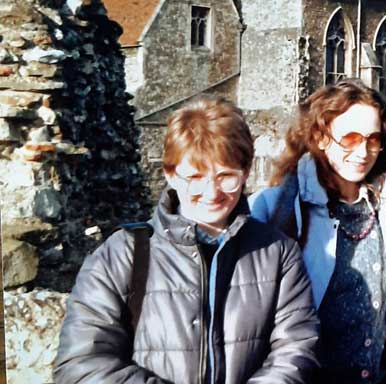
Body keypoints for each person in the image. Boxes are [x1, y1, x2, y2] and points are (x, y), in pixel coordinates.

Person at [54, 98, 320, 384]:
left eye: (226, 176)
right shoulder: (121, 255)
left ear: (245, 173)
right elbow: (81, 363)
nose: (211, 191)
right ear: (171, 174)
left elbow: (296, 349)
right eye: (195, 176)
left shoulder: (278, 254)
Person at [250, 79, 386, 383]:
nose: (363, 151)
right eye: (350, 138)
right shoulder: (276, 209)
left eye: (373, 139)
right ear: (320, 136)